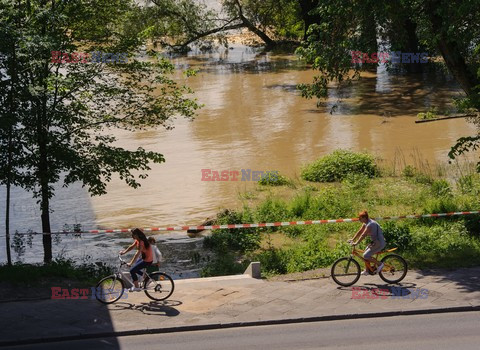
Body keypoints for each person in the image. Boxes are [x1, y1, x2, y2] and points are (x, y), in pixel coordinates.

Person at [348, 210, 386, 276]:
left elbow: (363, 235)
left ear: (364, 218)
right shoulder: (366, 222)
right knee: (365, 253)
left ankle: (380, 264)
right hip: (375, 242)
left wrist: (356, 243)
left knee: (366, 255)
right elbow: (360, 231)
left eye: (360, 218)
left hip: (379, 243)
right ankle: (367, 271)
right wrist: (353, 239)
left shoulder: (370, 224)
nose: (359, 219)